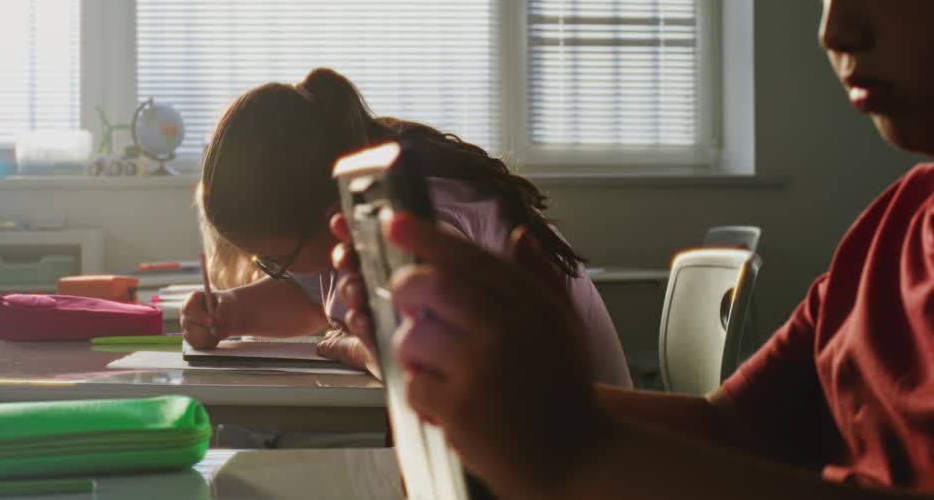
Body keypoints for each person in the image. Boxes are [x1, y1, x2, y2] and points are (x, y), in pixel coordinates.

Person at [329, 0, 934, 500]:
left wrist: (573, 459)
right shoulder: (889, 233)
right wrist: (497, 390)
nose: (835, 29)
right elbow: (732, 430)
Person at [183, 67, 632, 388]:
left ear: (328, 220)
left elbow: (429, 364)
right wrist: (228, 310)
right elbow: (313, 297)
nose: (271, 270)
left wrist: (352, 345)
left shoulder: (422, 220)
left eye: (274, 261)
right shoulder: (342, 194)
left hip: (583, 450)